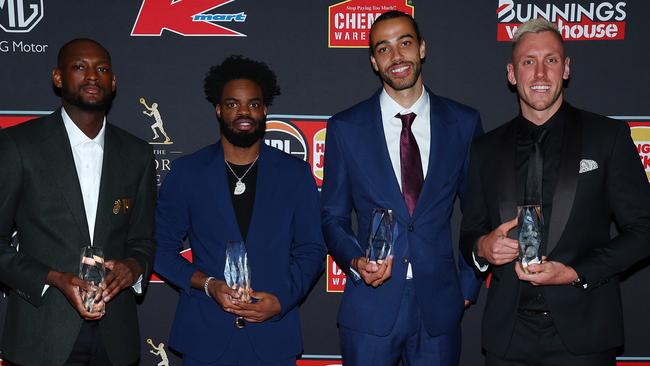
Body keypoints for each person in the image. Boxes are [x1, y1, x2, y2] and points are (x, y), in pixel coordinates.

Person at [460, 18, 650, 365]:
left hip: (585, 336)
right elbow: (470, 229)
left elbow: (643, 229)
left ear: (566, 69)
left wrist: (575, 272)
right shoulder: (484, 149)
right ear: (511, 74)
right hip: (508, 338)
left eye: (551, 60)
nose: (540, 73)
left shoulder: (607, 137)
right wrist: (482, 248)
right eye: (528, 62)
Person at [321, 10, 483, 366]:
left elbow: (478, 212)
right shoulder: (345, 128)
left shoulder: (463, 122)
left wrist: (468, 286)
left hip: (439, 306)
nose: (396, 57)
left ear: (422, 48)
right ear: (373, 62)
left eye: (405, 43)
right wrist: (355, 260)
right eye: (384, 49)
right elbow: (332, 216)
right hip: (370, 304)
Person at [154, 55, 326, 366]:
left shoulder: (295, 174)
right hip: (205, 338)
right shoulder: (187, 172)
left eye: (253, 104)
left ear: (265, 111)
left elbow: (312, 250)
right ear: (218, 109)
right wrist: (209, 285)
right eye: (233, 104)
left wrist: (282, 301)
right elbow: (160, 249)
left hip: (272, 337)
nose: (244, 112)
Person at [0, 38, 157, 365]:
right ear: (58, 77)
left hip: (116, 339)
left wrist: (134, 266)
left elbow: (143, 239)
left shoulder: (137, 153)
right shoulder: (18, 145)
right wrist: (53, 277)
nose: (91, 76)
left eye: (101, 69)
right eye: (79, 67)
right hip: (41, 334)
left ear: (113, 83)